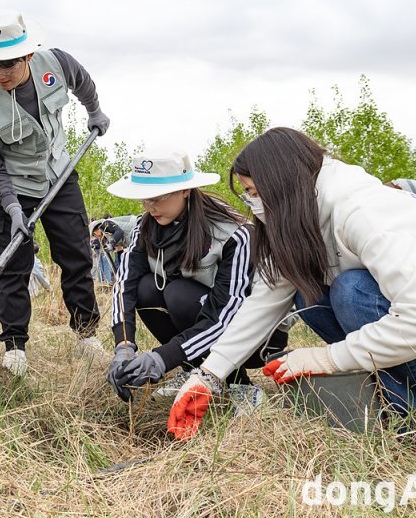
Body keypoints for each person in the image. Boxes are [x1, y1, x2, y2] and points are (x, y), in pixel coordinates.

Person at [167, 128, 416, 463]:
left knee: (353, 292)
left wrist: (327, 357)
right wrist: (209, 375)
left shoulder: (365, 210)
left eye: (253, 192)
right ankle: (409, 421)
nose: (251, 204)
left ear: (281, 183)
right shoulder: (305, 221)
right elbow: (265, 300)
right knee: (309, 295)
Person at [0, 12, 109, 375]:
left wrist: (95, 111)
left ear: (27, 55)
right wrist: (12, 209)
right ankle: (14, 347)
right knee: (14, 268)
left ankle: (86, 336)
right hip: (12, 189)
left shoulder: (56, 63)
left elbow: (83, 82)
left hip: (59, 176)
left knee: (76, 256)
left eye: (6, 65)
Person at [104, 151, 286, 412]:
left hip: (254, 333)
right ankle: (192, 369)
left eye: (157, 198)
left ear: (185, 191)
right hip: (202, 316)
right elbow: (125, 286)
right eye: (143, 198)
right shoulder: (146, 226)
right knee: (146, 288)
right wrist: (123, 345)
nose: (148, 206)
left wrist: (161, 358)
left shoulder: (234, 232)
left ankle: (237, 382)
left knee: (178, 293)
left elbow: (225, 315)